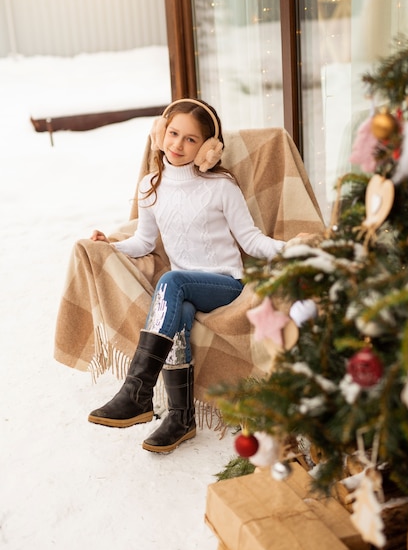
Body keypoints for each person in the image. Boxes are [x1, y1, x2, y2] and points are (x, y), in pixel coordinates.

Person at [87, 98, 286, 453]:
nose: (178, 145)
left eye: (191, 139)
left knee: (171, 281)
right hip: (184, 292)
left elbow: (251, 240)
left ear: (208, 149)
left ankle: (138, 391)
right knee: (179, 314)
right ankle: (181, 418)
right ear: (161, 133)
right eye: (173, 133)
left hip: (224, 285)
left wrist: (291, 250)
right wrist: (111, 247)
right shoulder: (151, 186)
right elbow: (144, 241)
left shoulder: (221, 185)